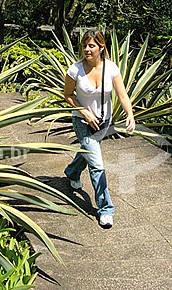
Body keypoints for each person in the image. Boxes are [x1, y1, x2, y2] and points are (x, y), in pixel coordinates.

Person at [63, 29, 135, 228]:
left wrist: (130, 114)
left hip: (104, 121)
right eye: (85, 45)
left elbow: (122, 95)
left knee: (88, 153)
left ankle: (72, 172)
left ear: (101, 47)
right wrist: (84, 111)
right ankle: (106, 209)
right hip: (83, 122)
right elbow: (67, 94)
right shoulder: (75, 70)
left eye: (92, 45)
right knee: (97, 164)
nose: (87, 49)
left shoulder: (111, 68)